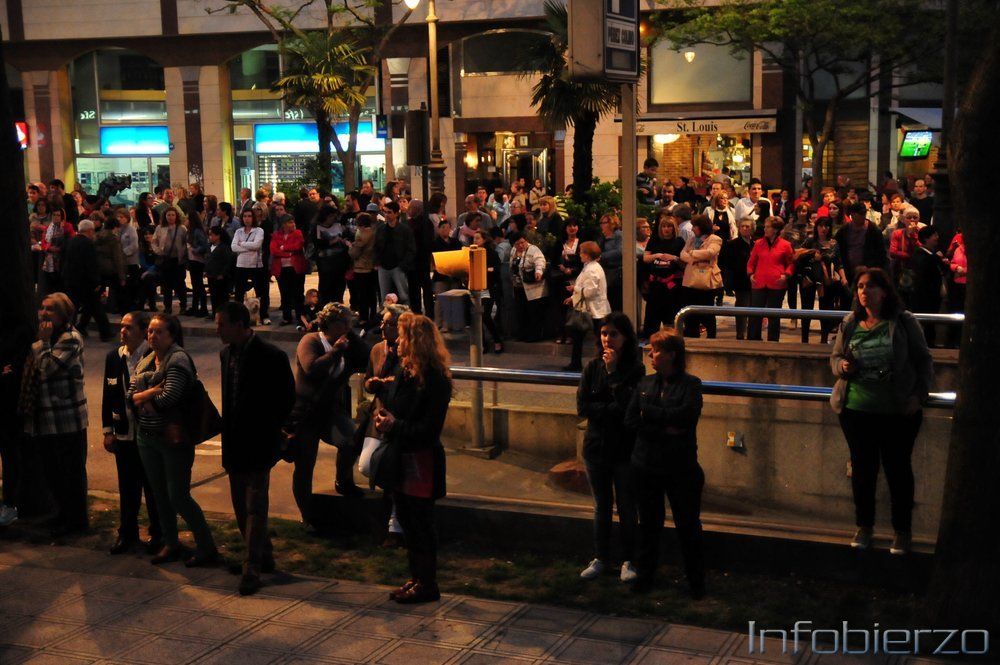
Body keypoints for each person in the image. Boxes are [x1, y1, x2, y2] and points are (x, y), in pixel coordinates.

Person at [830, 268, 933, 555]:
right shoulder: (850, 322)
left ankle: (902, 531)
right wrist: (843, 368)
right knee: (863, 472)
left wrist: (919, 396)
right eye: (860, 287)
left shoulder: (903, 321)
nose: (863, 292)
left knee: (898, 471)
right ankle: (864, 526)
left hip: (896, 412)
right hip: (856, 409)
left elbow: (924, 360)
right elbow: (835, 358)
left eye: (869, 287)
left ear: (884, 291)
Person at [216, 302, 295, 595]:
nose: (218, 330)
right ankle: (264, 555)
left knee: (255, 505)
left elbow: (286, 398)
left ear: (239, 324)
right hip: (234, 442)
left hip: (259, 442)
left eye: (221, 324)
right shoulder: (226, 355)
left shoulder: (270, 356)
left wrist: (270, 427)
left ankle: (252, 567)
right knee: (239, 504)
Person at [375, 313, 452, 604]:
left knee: (420, 523)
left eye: (403, 335)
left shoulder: (434, 379)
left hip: (421, 460)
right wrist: (381, 398)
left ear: (416, 341)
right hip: (402, 455)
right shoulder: (406, 370)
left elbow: (428, 429)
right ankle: (416, 578)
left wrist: (395, 425)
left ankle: (427, 583)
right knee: (407, 519)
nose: (397, 340)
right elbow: (396, 405)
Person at [129, 314, 218, 566]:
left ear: (172, 335)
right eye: (149, 332)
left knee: (178, 495)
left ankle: (207, 547)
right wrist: (147, 394)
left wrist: (142, 398)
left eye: (158, 332)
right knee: (159, 494)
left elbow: (170, 398)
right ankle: (171, 542)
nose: (151, 336)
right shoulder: (147, 359)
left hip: (173, 439)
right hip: (147, 436)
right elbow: (130, 396)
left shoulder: (178, 360)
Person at [626, 329, 705, 597]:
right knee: (648, 524)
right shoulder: (645, 384)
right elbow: (631, 420)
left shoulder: (691, 385)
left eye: (656, 350)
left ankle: (696, 581)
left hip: (679, 466)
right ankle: (645, 575)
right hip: (647, 465)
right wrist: (664, 424)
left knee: (688, 525)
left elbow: (685, 418)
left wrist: (649, 414)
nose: (650, 353)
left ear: (671, 354)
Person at [576, 313, 643, 583]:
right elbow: (583, 407)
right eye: (604, 333)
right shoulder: (592, 367)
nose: (608, 339)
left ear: (625, 338)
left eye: (614, 334)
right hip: (596, 447)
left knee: (627, 505)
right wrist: (609, 409)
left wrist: (614, 375)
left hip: (623, 448)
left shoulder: (634, 370)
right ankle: (601, 557)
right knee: (601, 505)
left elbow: (630, 407)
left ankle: (630, 559)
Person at [291, 303, 370, 527]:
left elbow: (365, 359)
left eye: (349, 323)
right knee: (305, 464)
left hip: (331, 409)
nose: (346, 327)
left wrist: (353, 338)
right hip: (306, 412)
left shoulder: (348, 341)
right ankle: (307, 514)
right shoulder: (312, 341)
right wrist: (335, 351)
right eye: (341, 323)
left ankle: (343, 481)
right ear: (328, 324)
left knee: (350, 440)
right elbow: (312, 368)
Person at [20, 293, 90, 536]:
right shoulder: (49, 337)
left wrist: (42, 343)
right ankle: (61, 514)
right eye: (42, 308)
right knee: (53, 471)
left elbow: (46, 367)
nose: (44, 314)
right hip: (46, 418)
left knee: (71, 473)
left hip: (66, 418)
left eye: (50, 309)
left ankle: (77, 521)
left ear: (64, 314)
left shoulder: (70, 339)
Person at [102, 311, 162, 554]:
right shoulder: (114, 357)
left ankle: (159, 533)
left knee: (153, 486)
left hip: (148, 434)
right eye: (121, 327)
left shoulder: (153, 355)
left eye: (129, 328)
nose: (123, 332)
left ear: (142, 331)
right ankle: (127, 532)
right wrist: (108, 430)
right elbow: (109, 395)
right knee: (127, 487)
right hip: (124, 433)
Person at [356, 304, 410, 547]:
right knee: (367, 466)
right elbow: (367, 380)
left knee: (393, 469)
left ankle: (394, 524)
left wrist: (393, 385)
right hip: (378, 416)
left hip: (399, 418)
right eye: (382, 322)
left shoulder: (408, 351)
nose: (382, 327)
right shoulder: (377, 349)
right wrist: (373, 384)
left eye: (388, 323)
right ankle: (392, 509)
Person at [63, 220, 114, 341]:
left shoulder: (71, 241)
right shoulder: (87, 243)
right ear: (90, 230)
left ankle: (74, 329)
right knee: (95, 306)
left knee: (76, 308)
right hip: (85, 282)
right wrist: (96, 281)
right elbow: (91, 264)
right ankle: (105, 333)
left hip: (71, 280)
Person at [564, 241, 611, 371]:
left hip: (595, 310)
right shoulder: (589, 266)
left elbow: (590, 291)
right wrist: (573, 297)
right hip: (591, 309)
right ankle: (576, 363)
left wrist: (575, 288)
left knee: (600, 341)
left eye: (581, 252)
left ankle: (602, 365)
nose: (579, 254)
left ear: (587, 254)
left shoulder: (592, 269)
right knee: (580, 337)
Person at [801, 217, 849, 344]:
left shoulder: (834, 243)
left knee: (826, 308)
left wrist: (843, 277)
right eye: (821, 226)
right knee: (807, 308)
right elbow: (799, 256)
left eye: (827, 226)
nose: (824, 228)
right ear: (816, 227)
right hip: (809, 278)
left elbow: (838, 263)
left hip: (827, 279)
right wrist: (811, 255)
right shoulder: (810, 241)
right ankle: (804, 339)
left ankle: (823, 338)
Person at [746, 216, 794, 342]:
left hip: (777, 284)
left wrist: (786, 275)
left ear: (776, 229)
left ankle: (773, 341)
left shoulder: (786, 245)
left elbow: (791, 263)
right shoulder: (758, 244)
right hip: (758, 282)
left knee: (774, 315)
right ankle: (753, 340)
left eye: (768, 227)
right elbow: (751, 262)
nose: (765, 229)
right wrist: (751, 275)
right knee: (755, 314)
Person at [642, 212, 686, 337]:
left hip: (673, 286)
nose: (666, 229)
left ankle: (671, 340)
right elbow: (646, 258)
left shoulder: (679, 241)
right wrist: (657, 255)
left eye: (669, 226)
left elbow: (684, 262)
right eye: (664, 227)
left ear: (674, 228)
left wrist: (674, 258)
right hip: (656, 285)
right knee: (652, 318)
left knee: (671, 318)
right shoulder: (654, 240)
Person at [679, 214, 722, 338]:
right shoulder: (692, 239)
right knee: (690, 314)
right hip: (690, 281)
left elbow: (710, 253)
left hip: (706, 282)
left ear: (701, 227)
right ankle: (692, 337)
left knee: (707, 313)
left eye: (694, 226)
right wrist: (695, 258)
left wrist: (691, 254)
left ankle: (711, 338)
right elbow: (682, 254)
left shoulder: (714, 239)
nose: (692, 229)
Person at [910, 226, 948, 347]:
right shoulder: (921, 254)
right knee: (926, 322)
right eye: (934, 235)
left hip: (932, 296)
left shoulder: (931, 255)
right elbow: (925, 274)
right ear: (926, 238)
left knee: (931, 323)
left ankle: (930, 343)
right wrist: (938, 259)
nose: (937, 238)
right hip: (925, 297)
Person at [232, 209, 271, 325]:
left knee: (261, 292)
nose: (247, 218)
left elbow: (257, 245)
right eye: (245, 216)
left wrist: (242, 244)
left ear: (253, 218)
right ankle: (239, 317)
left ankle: (264, 315)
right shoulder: (238, 231)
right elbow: (233, 247)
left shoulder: (259, 230)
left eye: (249, 216)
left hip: (256, 265)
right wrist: (248, 247)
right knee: (239, 293)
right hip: (241, 264)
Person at [835, 202, 888, 283]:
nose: (863, 216)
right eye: (860, 214)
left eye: (864, 213)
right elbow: (838, 250)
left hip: (868, 272)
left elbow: (881, 254)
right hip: (848, 272)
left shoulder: (873, 230)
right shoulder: (844, 231)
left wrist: (868, 267)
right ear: (852, 215)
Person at [508, 232, 547, 342]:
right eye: (517, 244)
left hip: (532, 286)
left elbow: (540, 261)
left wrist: (538, 272)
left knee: (533, 311)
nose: (520, 245)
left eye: (522, 242)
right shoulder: (513, 251)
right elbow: (511, 266)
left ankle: (534, 335)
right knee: (521, 311)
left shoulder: (533, 249)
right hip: (518, 285)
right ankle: (522, 333)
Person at [375, 201, 416, 305]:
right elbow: (376, 246)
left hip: (398, 265)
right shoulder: (381, 229)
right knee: (385, 297)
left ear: (396, 213)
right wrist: (377, 261)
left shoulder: (404, 230)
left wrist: (403, 264)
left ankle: (405, 316)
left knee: (403, 295)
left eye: (389, 212)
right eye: (385, 212)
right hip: (384, 266)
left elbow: (411, 249)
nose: (386, 215)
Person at [311, 204, 352, 307]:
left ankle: (337, 307)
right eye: (330, 216)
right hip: (325, 263)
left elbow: (346, 236)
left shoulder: (338, 225)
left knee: (339, 287)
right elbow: (317, 244)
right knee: (325, 287)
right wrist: (333, 241)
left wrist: (345, 241)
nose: (333, 218)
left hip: (340, 262)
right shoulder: (317, 227)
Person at [270, 216, 308, 326]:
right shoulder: (276, 235)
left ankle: (300, 316)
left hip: (296, 268)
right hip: (281, 268)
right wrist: (288, 253)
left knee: (298, 293)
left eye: (293, 221)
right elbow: (274, 250)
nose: (293, 224)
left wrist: (283, 247)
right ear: (284, 224)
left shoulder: (298, 233)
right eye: (290, 222)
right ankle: (286, 317)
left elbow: (298, 246)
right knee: (285, 293)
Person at [720, 219, 755, 340]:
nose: (745, 228)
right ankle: (740, 333)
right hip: (740, 280)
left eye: (748, 226)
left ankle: (752, 333)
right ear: (739, 228)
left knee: (754, 307)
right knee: (742, 306)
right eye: (743, 226)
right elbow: (727, 264)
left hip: (754, 280)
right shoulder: (732, 244)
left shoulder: (755, 244)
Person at [152, 208, 188, 316]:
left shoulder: (182, 228)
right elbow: (154, 242)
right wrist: (158, 251)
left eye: (173, 215)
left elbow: (186, 242)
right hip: (165, 260)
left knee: (180, 284)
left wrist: (183, 254)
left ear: (176, 216)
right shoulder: (160, 228)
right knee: (166, 285)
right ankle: (167, 306)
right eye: (168, 215)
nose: (171, 217)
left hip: (178, 260)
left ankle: (183, 306)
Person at [348, 212, 379, 329]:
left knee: (362, 295)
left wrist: (350, 247)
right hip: (371, 266)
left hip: (361, 267)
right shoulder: (374, 232)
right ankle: (372, 316)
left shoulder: (361, 234)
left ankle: (363, 318)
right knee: (371, 294)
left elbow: (355, 252)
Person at [406, 199, 436, 316]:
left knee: (424, 287)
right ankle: (417, 311)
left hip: (421, 260)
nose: (409, 210)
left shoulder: (424, 222)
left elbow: (427, 241)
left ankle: (429, 312)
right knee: (414, 288)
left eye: (411, 207)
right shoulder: (410, 222)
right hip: (413, 261)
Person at [205, 226, 233, 319]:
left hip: (221, 277)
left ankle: (223, 315)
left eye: (211, 235)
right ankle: (214, 313)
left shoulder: (224, 247)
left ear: (218, 236)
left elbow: (228, 262)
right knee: (213, 296)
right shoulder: (209, 247)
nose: (210, 237)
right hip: (211, 275)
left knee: (222, 297)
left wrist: (223, 274)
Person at [597, 214, 624, 312]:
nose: (602, 225)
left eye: (604, 223)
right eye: (601, 223)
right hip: (605, 271)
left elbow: (620, 251)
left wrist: (601, 256)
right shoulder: (603, 237)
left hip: (616, 272)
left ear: (612, 223)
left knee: (616, 302)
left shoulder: (618, 234)